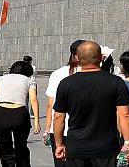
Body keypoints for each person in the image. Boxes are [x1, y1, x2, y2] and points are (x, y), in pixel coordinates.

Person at [53, 41, 129, 167]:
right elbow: (125, 115)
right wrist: (128, 143)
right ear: (101, 58)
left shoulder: (66, 83)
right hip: (106, 148)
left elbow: (58, 117)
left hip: (76, 147)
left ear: (77, 58)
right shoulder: (116, 82)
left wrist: (59, 144)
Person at [0, 60, 40, 167]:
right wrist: (36, 120)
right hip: (20, 114)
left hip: (1, 113)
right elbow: (33, 99)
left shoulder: (2, 78)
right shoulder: (29, 80)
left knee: (4, 148)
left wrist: (0, 103)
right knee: (21, 146)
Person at [46, 39, 85, 167]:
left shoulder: (58, 74)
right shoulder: (97, 75)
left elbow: (51, 104)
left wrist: (48, 129)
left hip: (60, 131)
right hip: (86, 131)